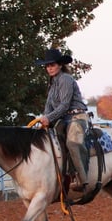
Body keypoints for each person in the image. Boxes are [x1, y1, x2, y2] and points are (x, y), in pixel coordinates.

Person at [36, 48, 90, 193]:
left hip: (77, 117)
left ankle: (81, 179)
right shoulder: (52, 83)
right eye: (47, 66)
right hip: (62, 120)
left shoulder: (66, 79)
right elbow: (48, 106)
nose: (49, 68)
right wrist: (44, 119)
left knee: (72, 143)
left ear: (60, 65)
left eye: (52, 65)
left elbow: (65, 104)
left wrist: (49, 117)